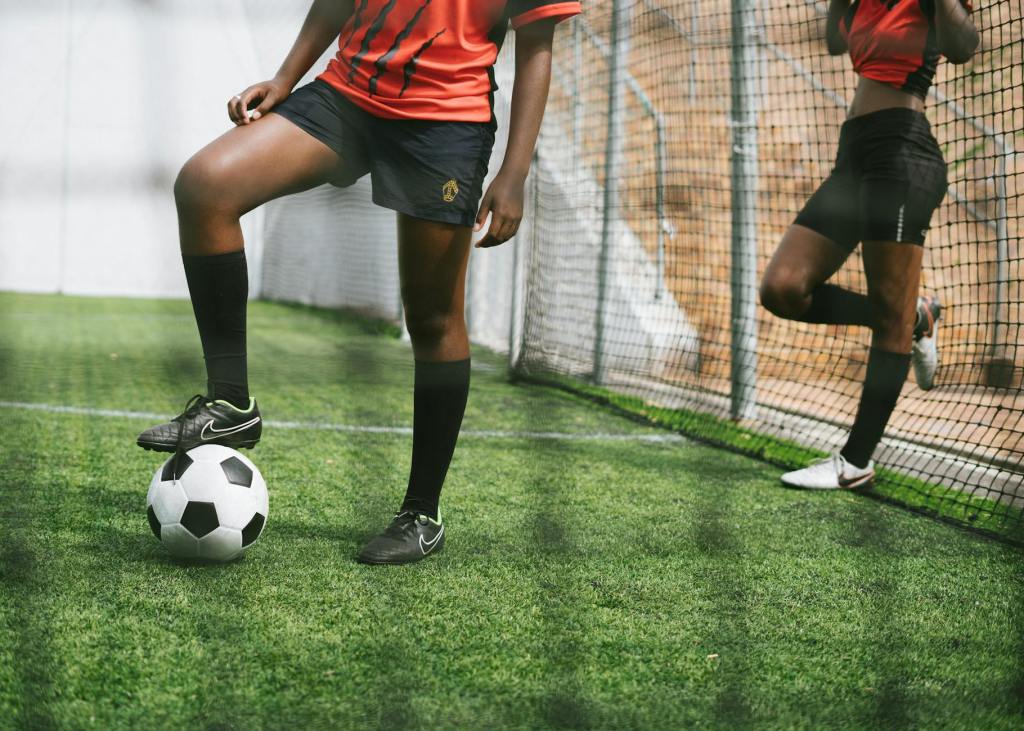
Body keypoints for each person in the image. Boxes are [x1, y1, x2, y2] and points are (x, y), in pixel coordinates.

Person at [136, 0, 582, 563]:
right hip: (345, 98)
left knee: (432, 316)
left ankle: (422, 513)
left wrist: (514, 173)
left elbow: (538, 49)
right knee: (206, 187)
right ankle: (231, 403)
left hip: (444, 125)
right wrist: (284, 79)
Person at [759, 0, 978, 489]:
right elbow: (837, 40)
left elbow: (964, 46)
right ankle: (914, 315)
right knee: (783, 288)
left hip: (901, 152)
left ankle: (855, 463)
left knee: (888, 320)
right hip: (853, 154)